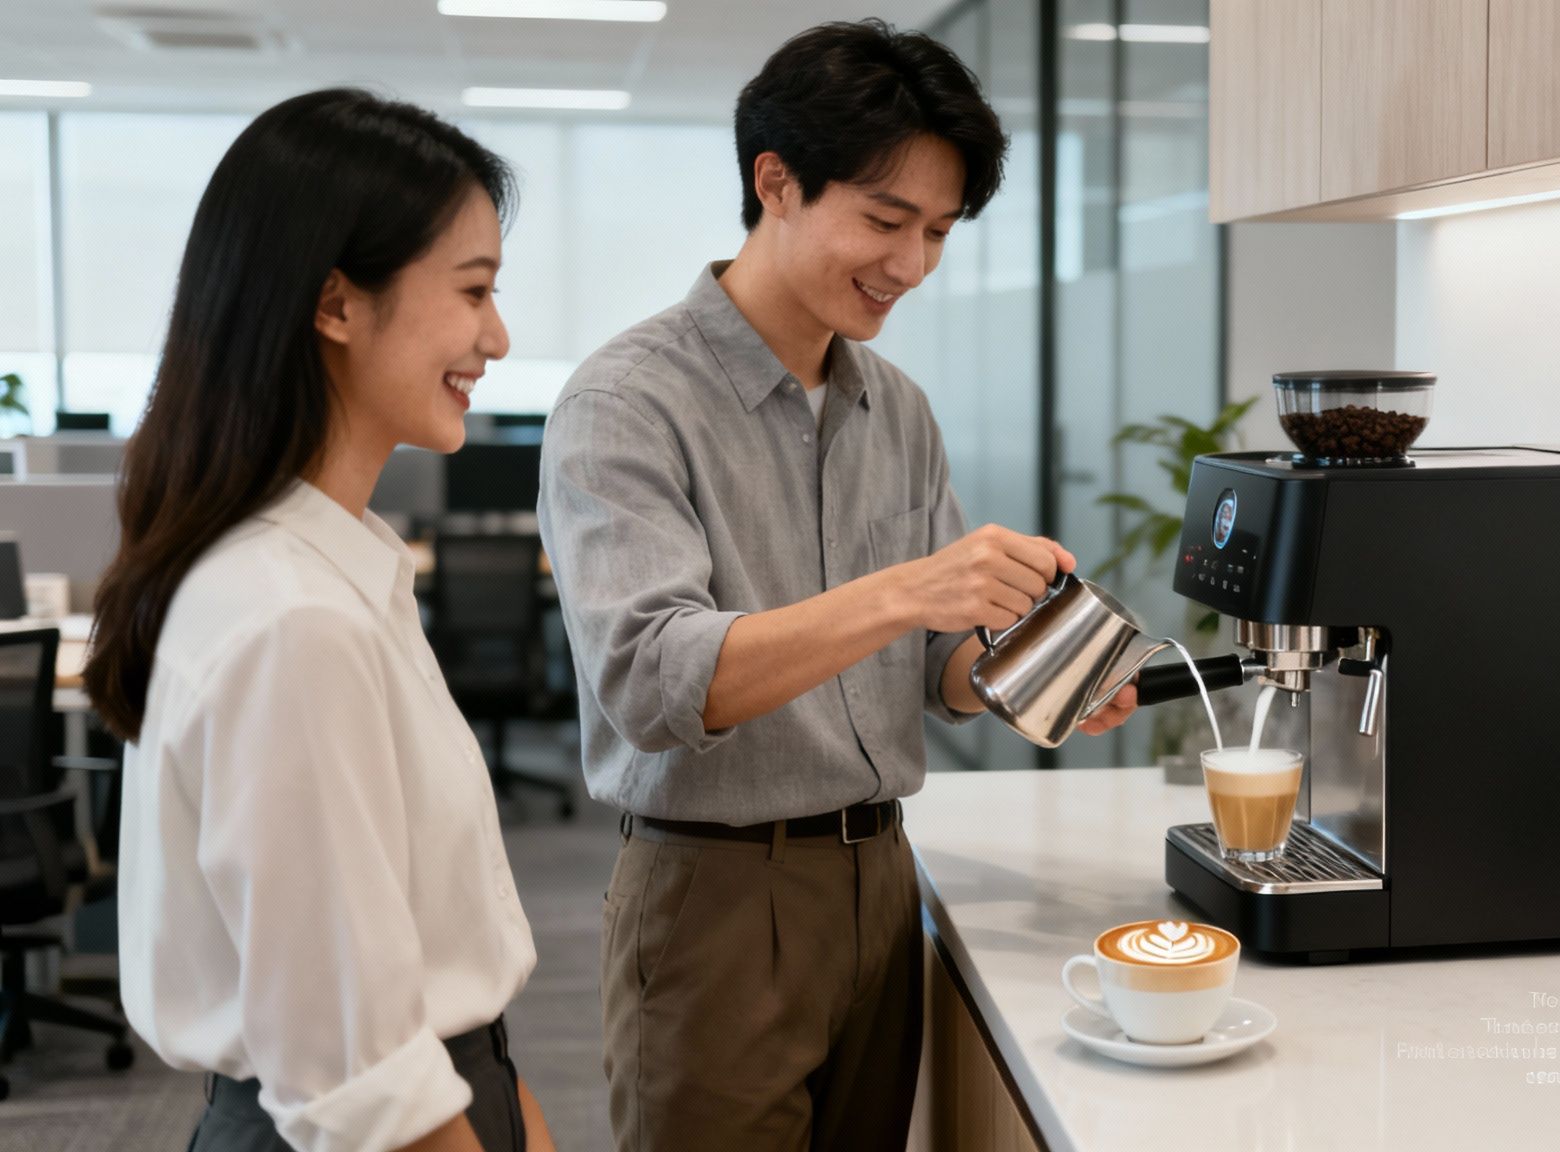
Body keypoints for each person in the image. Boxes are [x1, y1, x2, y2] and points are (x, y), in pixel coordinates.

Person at [538, 18, 1138, 1152]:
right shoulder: (625, 401)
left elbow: (931, 669)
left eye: (938, 232)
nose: (910, 265)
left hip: (880, 879)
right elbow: (652, 680)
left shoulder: (894, 407)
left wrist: (1022, 677)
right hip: (714, 894)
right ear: (775, 183)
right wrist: (910, 589)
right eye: (882, 220)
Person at [84, 88, 555, 1152]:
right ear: (336, 304)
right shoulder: (291, 620)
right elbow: (363, 1084)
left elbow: (439, 994)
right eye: (472, 290)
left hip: (454, 1089)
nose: (498, 335)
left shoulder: (339, 575)